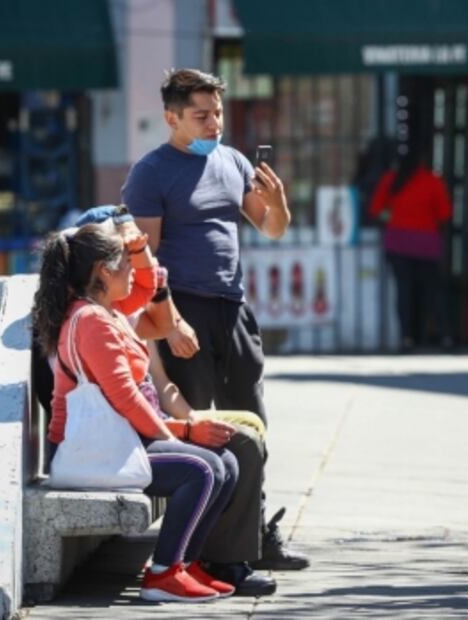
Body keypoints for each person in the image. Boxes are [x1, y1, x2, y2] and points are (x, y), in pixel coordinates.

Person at [122, 68, 307, 571]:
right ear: (171, 117)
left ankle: (256, 538)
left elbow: (270, 227)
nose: (214, 124)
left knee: (252, 425)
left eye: (218, 113)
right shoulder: (151, 172)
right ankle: (205, 551)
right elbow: (143, 261)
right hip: (184, 308)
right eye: (201, 115)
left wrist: (280, 204)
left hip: (233, 307)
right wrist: (172, 322)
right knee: (202, 429)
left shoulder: (232, 161)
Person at [32, 223, 239, 603]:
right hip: (92, 450)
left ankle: (185, 565)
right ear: (103, 272)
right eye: (125, 264)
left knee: (227, 464)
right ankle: (162, 575)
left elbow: (147, 288)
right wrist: (180, 432)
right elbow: (124, 398)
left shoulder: (104, 309)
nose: (133, 271)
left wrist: (139, 249)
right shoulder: (91, 321)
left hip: (121, 440)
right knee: (203, 469)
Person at [147, 346, 277, 596]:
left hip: (156, 426)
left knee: (240, 446)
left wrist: (194, 421)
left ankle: (196, 563)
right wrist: (184, 431)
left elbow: (161, 385)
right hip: (129, 442)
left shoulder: (130, 319)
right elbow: (125, 405)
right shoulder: (99, 323)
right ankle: (165, 570)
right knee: (210, 466)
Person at [368, 146, 453, 350]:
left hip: (397, 242)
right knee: (432, 291)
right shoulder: (432, 180)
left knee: (403, 290)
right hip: (426, 242)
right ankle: (444, 335)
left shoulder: (391, 179)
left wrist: (392, 217)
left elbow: (375, 210)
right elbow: (445, 214)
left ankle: (406, 336)